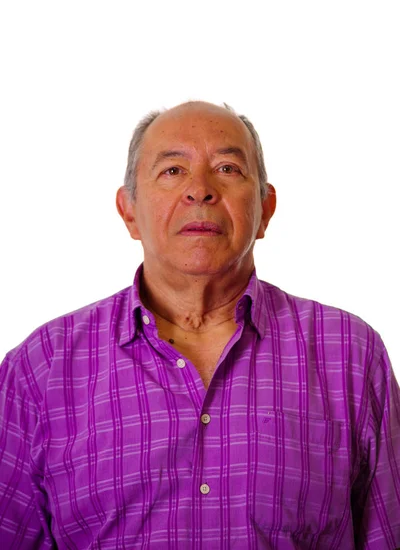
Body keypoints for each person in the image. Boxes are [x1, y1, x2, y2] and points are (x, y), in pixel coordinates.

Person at [0, 100, 399, 550]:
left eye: (227, 168)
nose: (200, 191)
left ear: (265, 209)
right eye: (172, 171)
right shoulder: (41, 368)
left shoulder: (348, 352)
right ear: (128, 210)